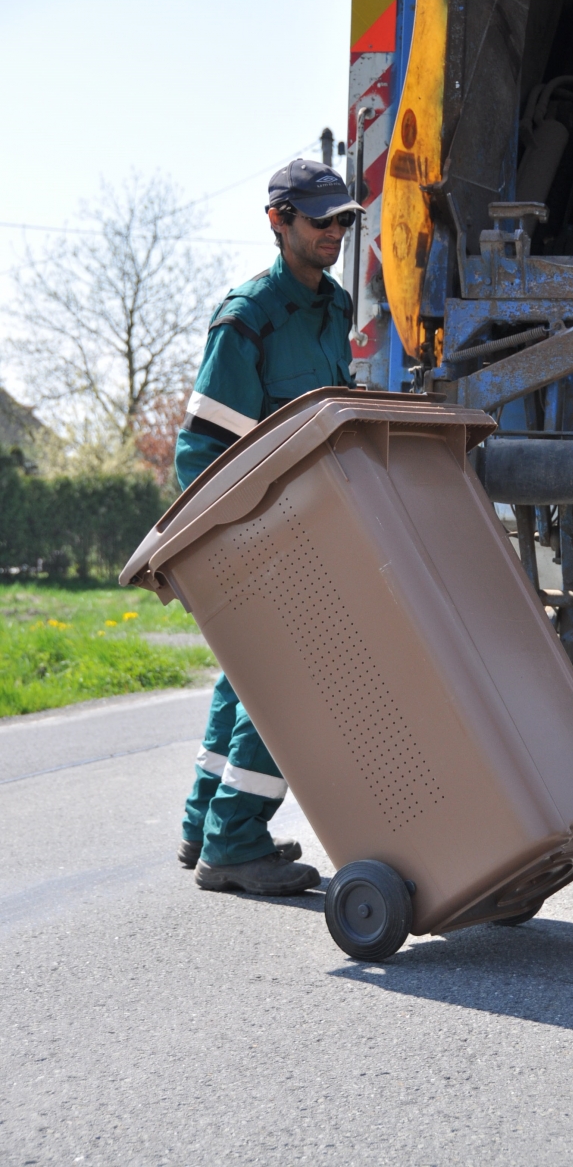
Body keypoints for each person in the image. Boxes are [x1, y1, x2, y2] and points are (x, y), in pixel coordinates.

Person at [173, 159, 363, 896]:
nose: (334, 234)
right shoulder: (248, 317)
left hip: (312, 526)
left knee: (246, 677)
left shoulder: (335, 307)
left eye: (343, 220)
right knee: (288, 683)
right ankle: (234, 844)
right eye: (320, 221)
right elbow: (201, 449)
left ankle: (204, 828)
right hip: (256, 535)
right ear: (277, 221)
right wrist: (222, 549)